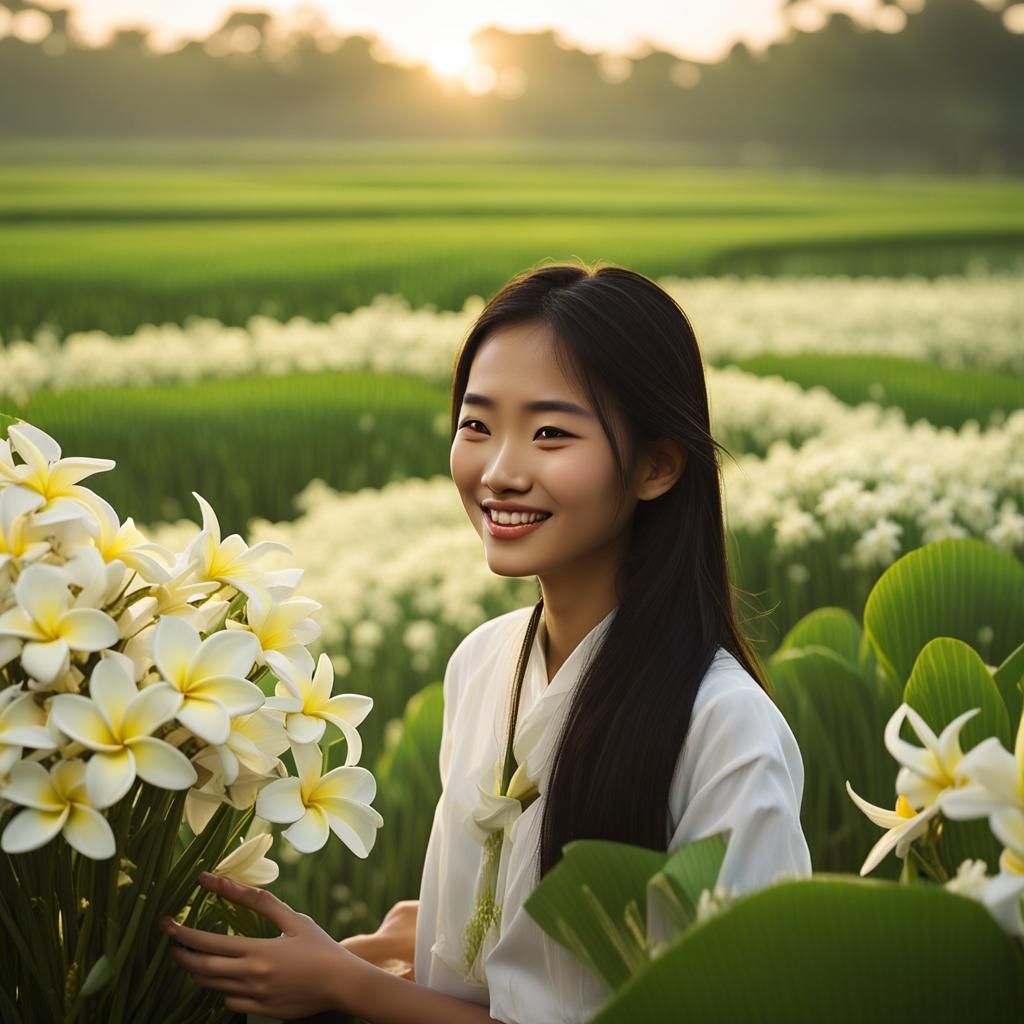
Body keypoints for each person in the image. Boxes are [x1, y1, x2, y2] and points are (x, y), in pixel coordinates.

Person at [159, 262, 812, 1023]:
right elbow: (481, 979)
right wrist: (394, 946)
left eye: (550, 433)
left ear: (657, 465)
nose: (500, 472)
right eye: (477, 426)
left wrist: (348, 987)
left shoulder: (725, 729)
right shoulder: (483, 663)